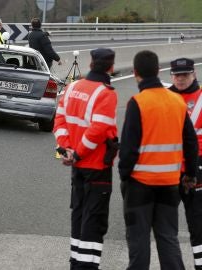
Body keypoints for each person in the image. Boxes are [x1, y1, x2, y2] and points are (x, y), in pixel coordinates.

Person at [118, 50, 198, 270]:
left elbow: (128, 149)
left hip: (139, 185)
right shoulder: (177, 102)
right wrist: (190, 175)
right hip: (170, 184)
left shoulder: (138, 102)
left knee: (139, 242)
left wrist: (124, 176)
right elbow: (191, 144)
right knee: (168, 239)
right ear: (159, 71)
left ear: (135, 73)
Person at [53, 48, 118, 270]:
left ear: (90, 64)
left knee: (79, 217)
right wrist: (79, 152)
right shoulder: (106, 93)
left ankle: (75, 264)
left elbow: (59, 122)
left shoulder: (72, 88)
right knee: (94, 222)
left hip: (77, 167)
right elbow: (98, 130)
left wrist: (68, 150)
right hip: (96, 166)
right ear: (111, 67)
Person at [169, 57, 202, 270]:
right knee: (166, 226)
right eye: (177, 75)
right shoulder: (166, 98)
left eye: (185, 75)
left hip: (197, 168)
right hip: (170, 170)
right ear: (171, 76)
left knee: (198, 224)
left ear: (194, 74)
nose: (181, 79)